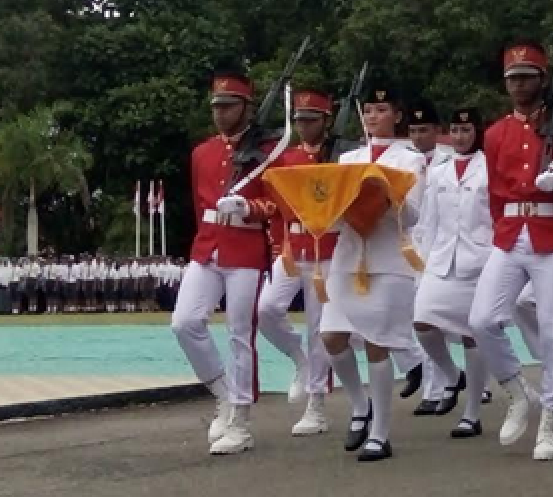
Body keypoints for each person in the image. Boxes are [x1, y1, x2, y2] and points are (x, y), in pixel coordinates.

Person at [467, 39, 553, 461]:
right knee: (482, 318)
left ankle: (552, 423)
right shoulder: (495, 133)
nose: (519, 85)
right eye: (512, 78)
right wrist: (499, 231)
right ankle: (518, 391)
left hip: (552, 232)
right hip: (510, 232)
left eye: (526, 77)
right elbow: (495, 195)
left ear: (542, 80)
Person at [170, 72, 304, 455]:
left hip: (245, 248)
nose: (220, 113)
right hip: (208, 245)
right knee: (184, 322)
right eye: (216, 106)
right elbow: (200, 207)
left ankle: (241, 421)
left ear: (246, 107)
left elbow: (280, 204)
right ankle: (224, 393)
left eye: (228, 106)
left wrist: (249, 208)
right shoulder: (203, 152)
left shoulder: (268, 151)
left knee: (239, 332)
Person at [320, 85, 427, 462]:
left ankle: (380, 434)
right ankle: (359, 406)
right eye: (368, 110)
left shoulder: (410, 160)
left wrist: (385, 194)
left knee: (377, 342)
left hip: (387, 260)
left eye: (381, 109)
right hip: (348, 257)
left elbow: (414, 216)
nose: (373, 117)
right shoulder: (349, 156)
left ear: (397, 115)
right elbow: (331, 215)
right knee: (331, 337)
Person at [254, 89, 338, 437]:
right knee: (267, 310)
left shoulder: (340, 156)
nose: (304, 127)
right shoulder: (285, 158)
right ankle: (300, 362)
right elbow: (273, 205)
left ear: (326, 121)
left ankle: (316, 405)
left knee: (319, 328)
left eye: (311, 120)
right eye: (299, 120)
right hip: (293, 244)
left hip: (329, 249)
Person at [412, 107, 494, 438]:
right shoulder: (439, 171)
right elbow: (429, 220)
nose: (460, 137)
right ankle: (452, 374)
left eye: (467, 130)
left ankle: (472, 413)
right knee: (422, 322)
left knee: (472, 334)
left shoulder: (490, 168)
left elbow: (497, 218)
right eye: (456, 131)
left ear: (477, 132)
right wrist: (422, 260)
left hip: (479, 260)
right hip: (442, 259)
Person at [404, 98, 452, 416]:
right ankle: (433, 388)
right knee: (420, 317)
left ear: (437, 131)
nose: (418, 136)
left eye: (424, 129)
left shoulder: (450, 158)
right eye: (413, 130)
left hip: (447, 244)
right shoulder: (405, 161)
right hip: (413, 245)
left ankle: (479, 383)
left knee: (456, 319)